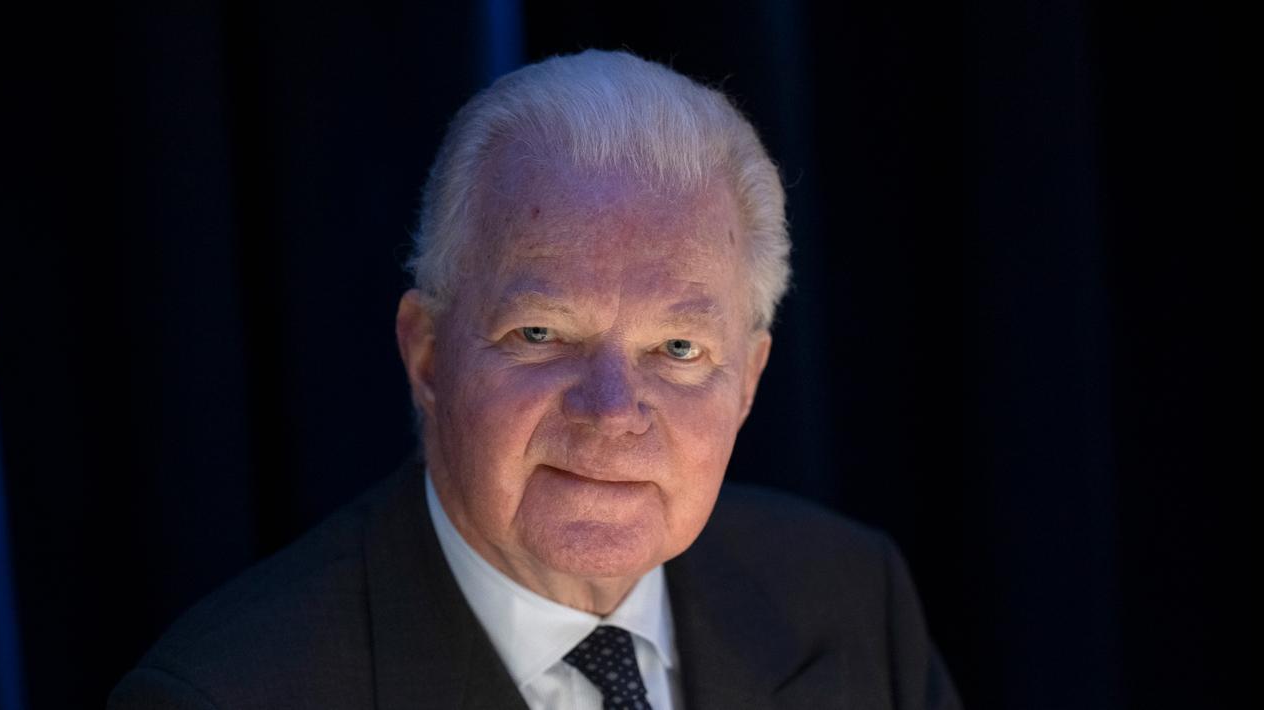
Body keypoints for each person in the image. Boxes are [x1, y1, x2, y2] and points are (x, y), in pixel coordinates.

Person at [109, 49, 960, 710]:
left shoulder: (853, 600)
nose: (612, 411)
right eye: (542, 334)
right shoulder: (223, 695)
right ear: (427, 355)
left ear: (749, 381)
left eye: (678, 349)